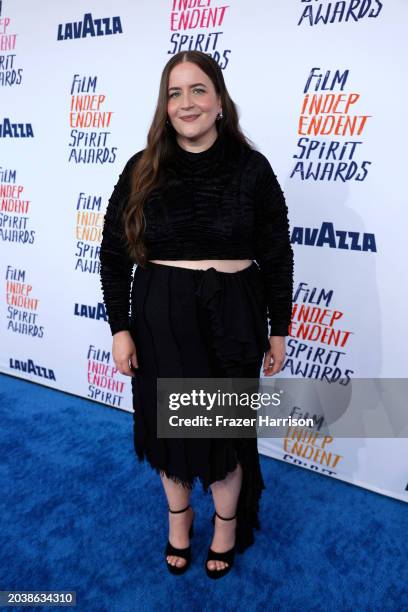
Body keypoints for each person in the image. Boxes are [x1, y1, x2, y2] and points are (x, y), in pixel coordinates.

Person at [99, 50, 294, 579]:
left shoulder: (253, 169)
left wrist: (280, 330)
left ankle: (226, 525)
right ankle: (180, 519)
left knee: (224, 434)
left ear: (219, 100)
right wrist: (120, 328)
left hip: (234, 317)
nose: (187, 103)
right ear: (165, 107)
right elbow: (114, 256)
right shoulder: (141, 169)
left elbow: (277, 253)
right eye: (175, 93)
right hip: (161, 317)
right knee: (172, 432)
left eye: (198, 90)